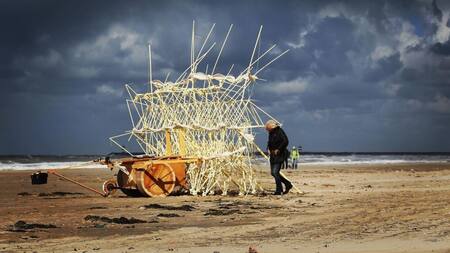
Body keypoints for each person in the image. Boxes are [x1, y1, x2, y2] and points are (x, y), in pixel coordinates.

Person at [265, 120, 293, 195]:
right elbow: (270, 142)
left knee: (275, 172)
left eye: (267, 127)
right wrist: (268, 149)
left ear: (271, 126)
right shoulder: (271, 133)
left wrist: (278, 149)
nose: (266, 129)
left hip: (280, 154)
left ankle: (279, 190)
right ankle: (288, 184)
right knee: (273, 173)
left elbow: (285, 141)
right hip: (273, 155)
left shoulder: (279, 131)